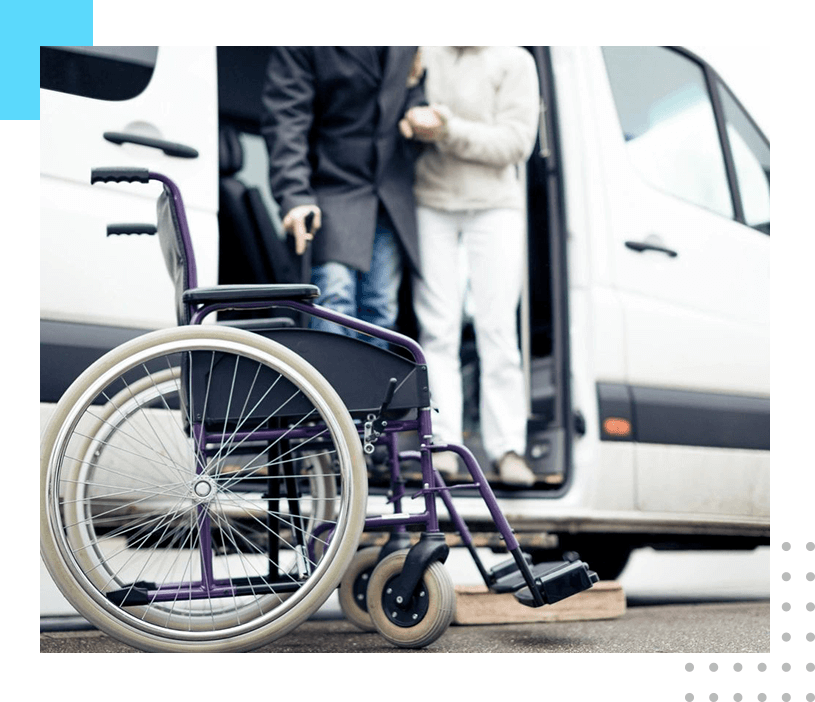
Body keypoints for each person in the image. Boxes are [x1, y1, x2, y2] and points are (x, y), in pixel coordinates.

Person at [406, 46, 541, 486]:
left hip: (495, 207)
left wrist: (447, 130)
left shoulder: (514, 60)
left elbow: (516, 143)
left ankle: (507, 450)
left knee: (498, 328)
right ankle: (442, 444)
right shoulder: (422, 53)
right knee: (436, 330)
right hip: (431, 202)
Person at [261, 47, 444, 346]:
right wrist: (294, 195)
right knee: (333, 300)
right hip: (332, 187)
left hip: (388, 194)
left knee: (381, 310)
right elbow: (287, 119)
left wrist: (417, 116)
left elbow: (410, 93)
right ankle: (330, 392)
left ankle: (370, 393)